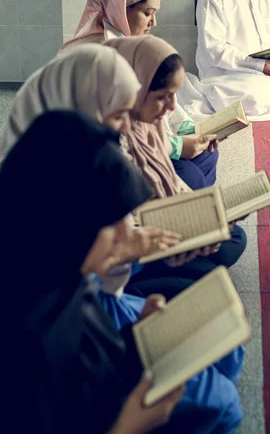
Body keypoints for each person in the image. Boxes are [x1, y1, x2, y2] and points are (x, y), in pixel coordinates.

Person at [2, 111, 244, 434]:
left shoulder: (52, 265)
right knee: (223, 402)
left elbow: (92, 345)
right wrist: (128, 426)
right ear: (67, 223)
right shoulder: (25, 341)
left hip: (101, 379)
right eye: (109, 220)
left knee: (225, 351)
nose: (124, 231)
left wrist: (137, 336)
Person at [0, 44, 190, 314]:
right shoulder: (38, 182)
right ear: (83, 104)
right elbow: (58, 284)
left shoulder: (77, 152)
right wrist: (125, 252)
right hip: (77, 305)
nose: (126, 125)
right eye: (117, 115)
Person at [105, 35, 247, 287]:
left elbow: (165, 178)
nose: (171, 106)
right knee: (209, 264)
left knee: (233, 237)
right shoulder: (106, 139)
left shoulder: (141, 122)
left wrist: (207, 215)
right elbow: (125, 219)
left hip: (151, 223)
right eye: (163, 97)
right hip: (123, 248)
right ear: (135, 87)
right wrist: (186, 226)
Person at [59, 0, 219, 190]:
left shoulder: (132, 45)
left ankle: (188, 206)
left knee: (208, 154)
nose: (154, 21)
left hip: (152, 141)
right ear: (120, 10)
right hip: (111, 156)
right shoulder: (96, 59)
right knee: (189, 175)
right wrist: (176, 147)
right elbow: (118, 135)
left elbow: (162, 100)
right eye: (147, 13)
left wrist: (188, 128)